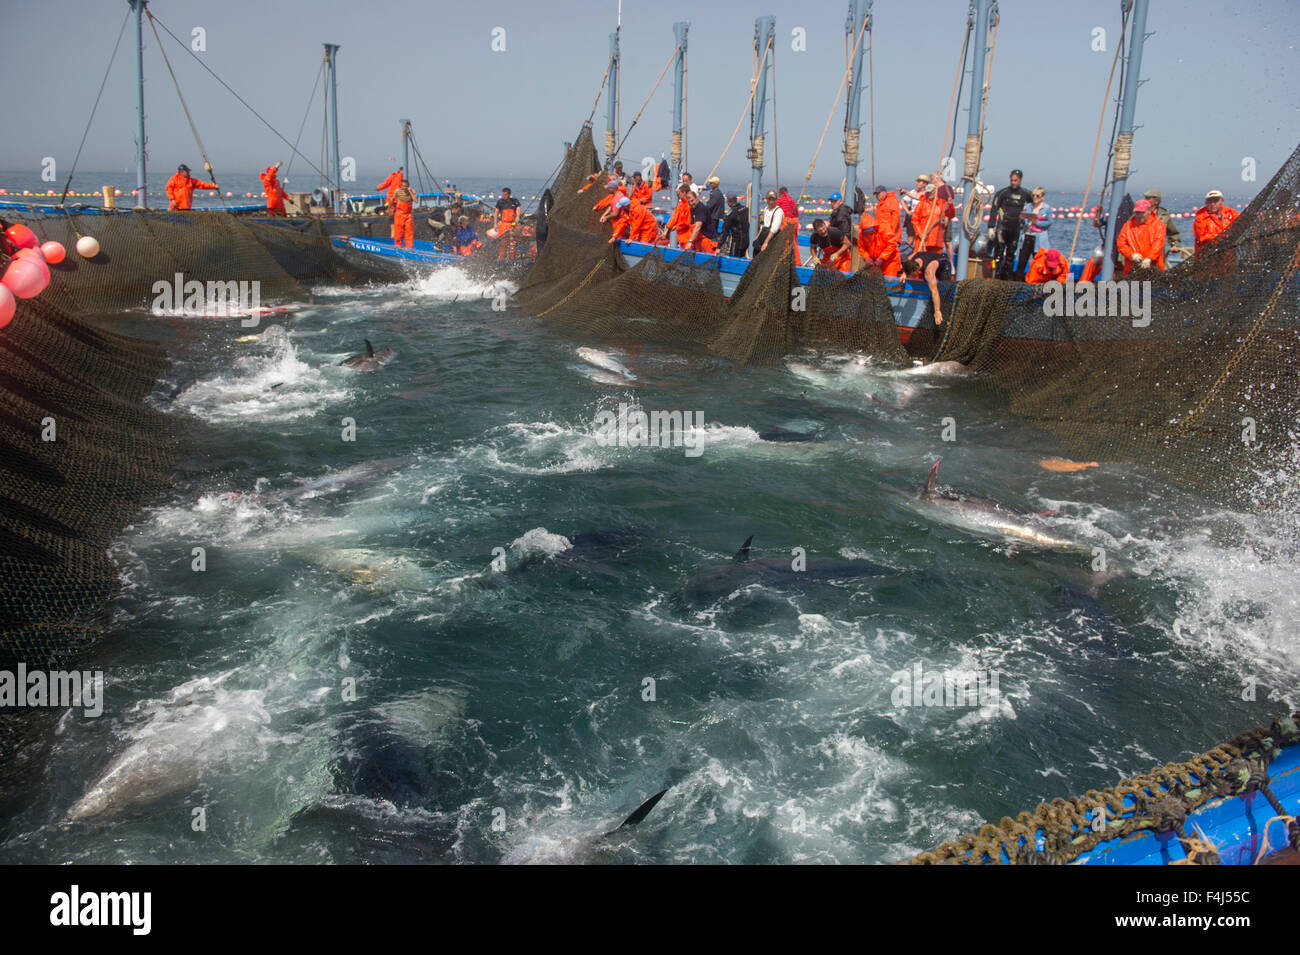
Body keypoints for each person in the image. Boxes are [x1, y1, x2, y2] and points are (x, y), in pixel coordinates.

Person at [987, 169, 1034, 280]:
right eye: (1012, 180)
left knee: (1011, 254)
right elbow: (994, 209)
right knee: (998, 253)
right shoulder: (1003, 193)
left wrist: (1029, 220)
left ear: (1020, 180)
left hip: (1015, 228)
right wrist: (990, 227)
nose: (1013, 182)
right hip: (1002, 228)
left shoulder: (1025, 193)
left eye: (1016, 180)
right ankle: (996, 277)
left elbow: (1035, 202)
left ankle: (1008, 279)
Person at [859, 185, 902, 277]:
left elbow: (896, 216)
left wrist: (891, 231)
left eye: (878, 194)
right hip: (880, 232)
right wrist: (866, 257)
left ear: (883, 192)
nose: (877, 196)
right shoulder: (881, 203)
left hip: (888, 233)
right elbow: (861, 247)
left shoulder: (891, 200)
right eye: (876, 194)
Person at [1115, 198, 1166, 274]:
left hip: (1154, 267)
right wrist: (1132, 255)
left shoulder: (1158, 225)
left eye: (1142, 212)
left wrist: (1149, 258)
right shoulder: (1128, 226)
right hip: (1131, 269)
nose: (1139, 215)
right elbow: (1121, 243)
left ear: (1149, 211)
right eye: (1137, 213)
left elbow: (1158, 244)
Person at [902, 251, 952, 325]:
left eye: (911, 275)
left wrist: (937, 310)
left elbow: (934, 291)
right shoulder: (912, 260)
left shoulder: (928, 272)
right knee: (927, 284)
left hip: (944, 266)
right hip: (931, 261)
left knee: (943, 291)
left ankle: (945, 313)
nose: (911, 277)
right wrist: (904, 273)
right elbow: (908, 262)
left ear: (915, 269)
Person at [1016, 186, 1053, 278]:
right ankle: (1018, 279)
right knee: (1022, 260)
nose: (1035, 198)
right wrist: (1023, 219)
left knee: (1038, 261)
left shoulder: (1046, 208)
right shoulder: (1028, 206)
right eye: (1033, 195)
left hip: (1039, 238)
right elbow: (1023, 219)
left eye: (1037, 196)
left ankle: (1038, 280)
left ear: (1042, 197)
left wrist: (1038, 222)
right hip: (1027, 235)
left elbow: (1049, 222)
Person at [911, 182, 954, 255]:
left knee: (934, 261)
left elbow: (951, 215)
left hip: (937, 240)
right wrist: (920, 233)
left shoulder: (942, 203)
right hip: (923, 238)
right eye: (928, 192)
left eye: (932, 192)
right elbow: (915, 220)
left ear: (935, 191)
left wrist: (950, 206)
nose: (930, 194)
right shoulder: (921, 204)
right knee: (920, 259)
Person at [1143, 188, 1184, 256]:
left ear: (1157, 201)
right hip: (1140, 252)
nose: (1145, 200)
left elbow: (1173, 233)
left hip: (1158, 254)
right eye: (1145, 198)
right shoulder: (1139, 214)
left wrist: (1175, 245)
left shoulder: (1164, 215)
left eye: (1148, 198)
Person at [489, 187, 521, 258]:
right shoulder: (500, 202)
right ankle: (502, 259)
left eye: (506, 194)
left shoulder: (515, 201)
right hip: (503, 224)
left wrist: (518, 217)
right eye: (503, 194)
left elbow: (518, 209)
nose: (504, 196)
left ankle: (512, 259)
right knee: (503, 242)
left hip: (513, 224)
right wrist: (495, 224)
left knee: (513, 242)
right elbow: (496, 213)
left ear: (509, 194)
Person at [931, 170, 956, 257]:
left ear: (938, 178)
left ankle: (951, 263)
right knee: (935, 240)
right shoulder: (933, 190)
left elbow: (950, 203)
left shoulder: (947, 188)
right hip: (934, 218)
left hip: (945, 217)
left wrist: (947, 217)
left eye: (932, 178)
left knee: (947, 241)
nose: (931, 180)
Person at [753, 189, 785, 256]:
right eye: (769, 199)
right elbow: (763, 225)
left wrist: (766, 242)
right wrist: (757, 237)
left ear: (776, 200)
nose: (771, 202)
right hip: (763, 234)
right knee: (755, 250)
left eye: (773, 200)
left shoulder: (778, 212)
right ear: (766, 199)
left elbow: (774, 230)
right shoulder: (766, 209)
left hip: (772, 238)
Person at [389, 178, 416, 249]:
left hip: (408, 214)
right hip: (399, 213)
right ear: (401, 186)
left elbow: (416, 200)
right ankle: (398, 245)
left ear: (408, 186)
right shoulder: (398, 191)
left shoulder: (412, 191)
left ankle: (409, 247)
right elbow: (392, 200)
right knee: (398, 231)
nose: (404, 188)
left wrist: (410, 192)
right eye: (403, 186)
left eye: (406, 186)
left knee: (409, 231)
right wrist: (388, 208)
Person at [704, 176, 726, 242]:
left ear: (715, 184)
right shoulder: (718, 192)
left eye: (711, 183)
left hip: (713, 217)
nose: (709, 184)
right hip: (716, 216)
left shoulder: (715, 193)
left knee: (711, 234)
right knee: (714, 233)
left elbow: (710, 205)